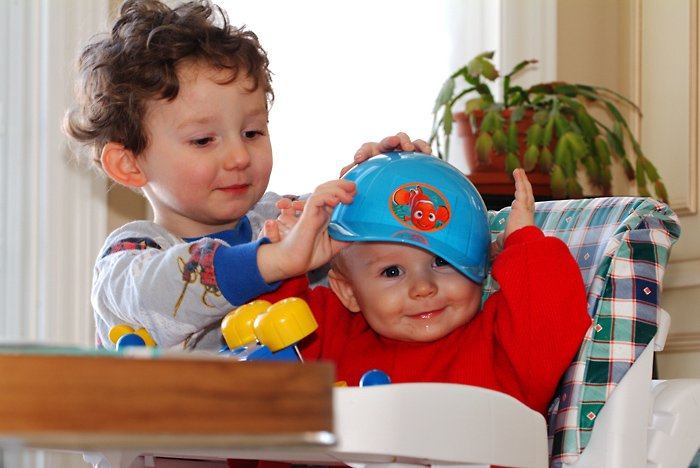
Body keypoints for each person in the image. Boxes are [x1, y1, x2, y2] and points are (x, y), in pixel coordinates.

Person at [63, 0, 429, 350]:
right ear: (129, 164)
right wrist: (275, 259)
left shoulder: (286, 218)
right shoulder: (129, 259)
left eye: (252, 133)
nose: (239, 157)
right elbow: (167, 289)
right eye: (203, 140)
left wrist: (383, 181)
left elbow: (373, 241)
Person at [257, 152, 592, 415]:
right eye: (392, 272)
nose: (423, 287)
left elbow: (551, 315)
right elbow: (268, 342)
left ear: (480, 267)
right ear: (348, 291)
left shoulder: (500, 344)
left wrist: (523, 242)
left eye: (441, 261)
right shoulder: (332, 335)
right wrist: (286, 262)